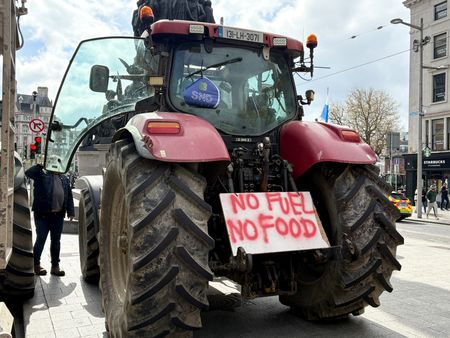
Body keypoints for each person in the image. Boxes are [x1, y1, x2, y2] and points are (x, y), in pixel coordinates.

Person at [25, 164, 75, 276]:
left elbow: (69, 196)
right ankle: (36, 265)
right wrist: (40, 165)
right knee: (41, 240)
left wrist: (71, 212)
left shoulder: (64, 178)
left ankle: (55, 267)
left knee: (56, 242)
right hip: (43, 215)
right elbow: (28, 173)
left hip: (58, 216)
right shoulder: (42, 175)